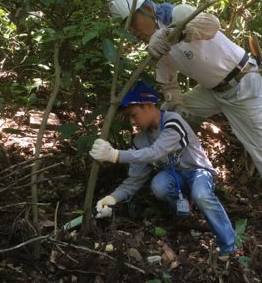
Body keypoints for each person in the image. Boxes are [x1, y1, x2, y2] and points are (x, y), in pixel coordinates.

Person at [108, 0, 262, 254]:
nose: (131, 29)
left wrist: (169, 33)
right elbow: (170, 87)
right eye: (125, 26)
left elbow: (210, 25)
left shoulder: (179, 14)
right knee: (173, 113)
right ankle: (181, 176)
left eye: (132, 21)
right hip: (212, 92)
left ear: (148, 10)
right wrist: (171, 104)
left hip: (244, 84)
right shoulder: (158, 46)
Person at [89, 80, 236, 256]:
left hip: (197, 172)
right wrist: (112, 199)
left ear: (150, 105)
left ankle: (229, 247)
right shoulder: (140, 141)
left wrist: (116, 155)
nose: (132, 121)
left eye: (134, 115)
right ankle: (183, 215)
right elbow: (135, 179)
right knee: (159, 185)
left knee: (202, 194)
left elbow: (156, 152)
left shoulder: (173, 122)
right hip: (173, 178)